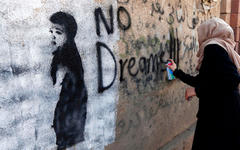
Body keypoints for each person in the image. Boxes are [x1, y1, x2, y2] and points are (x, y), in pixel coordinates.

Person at [167, 18, 240, 150]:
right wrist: (176, 72)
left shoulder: (213, 48)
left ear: (209, 32)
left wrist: (197, 91)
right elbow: (204, 80)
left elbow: (232, 80)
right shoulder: (223, 47)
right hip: (225, 113)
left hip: (218, 116)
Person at [49, 12, 88, 149]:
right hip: (71, 112)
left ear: (69, 35)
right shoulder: (65, 52)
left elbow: (57, 87)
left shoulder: (66, 56)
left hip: (70, 113)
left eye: (58, 32)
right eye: (51, 31)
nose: (53, 35)